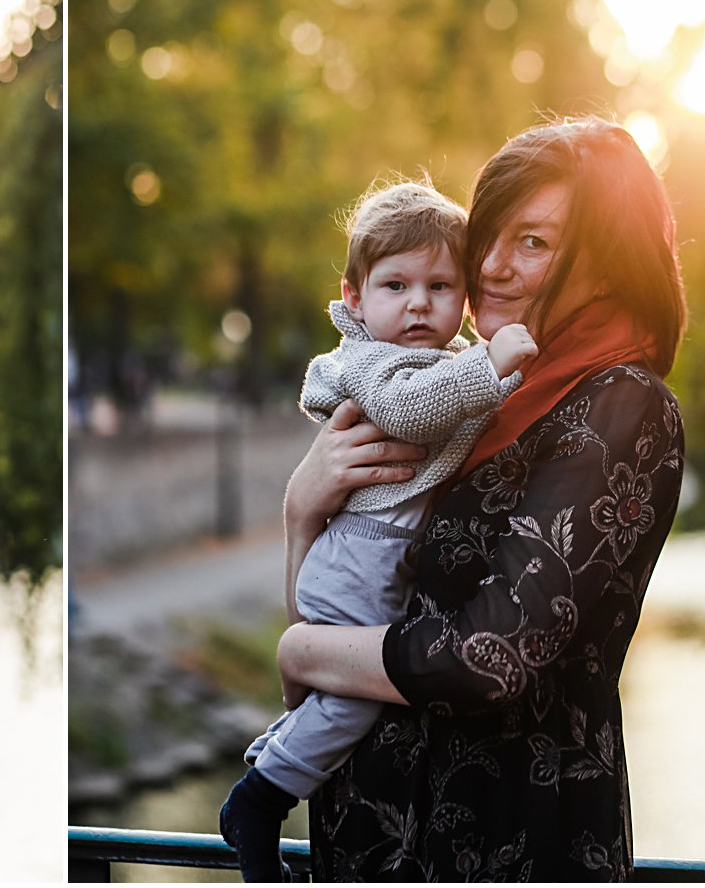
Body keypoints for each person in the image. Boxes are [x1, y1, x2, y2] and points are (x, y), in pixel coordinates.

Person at [272, 118, 686, 881]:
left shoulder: (620, 403)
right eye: (490, 233)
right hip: (376, 843)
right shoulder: (469, 397)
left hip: (507, 842)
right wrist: (302, 512)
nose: (489, 265)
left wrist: (303, 650)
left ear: (608, 258)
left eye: (533, 241)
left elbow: (488, 654)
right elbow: (340, 609)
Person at [219, 180, 537, 881]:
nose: (419, 302)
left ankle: (273, 753)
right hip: (360, 558)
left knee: (343, 692)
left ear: (464, 297)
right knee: (360, 692)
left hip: (373, 558)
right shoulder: (372, 362)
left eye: (439, 284)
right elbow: (414, 410)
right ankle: (261, 798)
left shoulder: (443, 363)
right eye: (395, 284)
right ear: (355, 296)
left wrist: (504, 375)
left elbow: (466, 411)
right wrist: (493, 364)